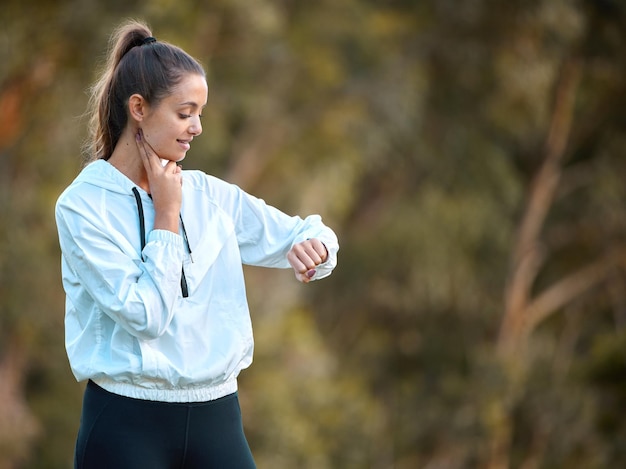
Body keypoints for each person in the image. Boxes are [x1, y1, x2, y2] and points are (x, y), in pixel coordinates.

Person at [55, 19, 339, 469]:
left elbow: (305, 231)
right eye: (185, 113)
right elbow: (145, 316)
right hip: (126, 423)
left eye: (200, 114)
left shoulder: (210, 194)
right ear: (138, 109)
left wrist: (316, 249)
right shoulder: (82, 207)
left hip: (218, 419)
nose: (198, 127)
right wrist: (167, 216)